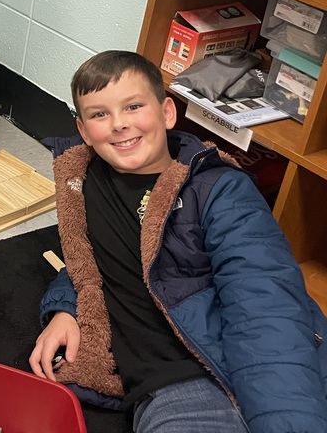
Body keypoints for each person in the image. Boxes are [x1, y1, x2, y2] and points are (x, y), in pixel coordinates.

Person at [29, 50, 327, 433]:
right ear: (84, 131)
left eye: (134, 106)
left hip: (211, 372)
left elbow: (266, 308)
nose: (119, 124)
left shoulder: (220, 190)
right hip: (162, 387)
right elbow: (84, 257)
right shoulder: (83, 181)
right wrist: (64, 309)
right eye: (100, 114)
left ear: (167, 113)